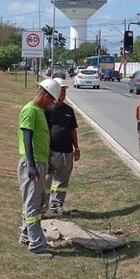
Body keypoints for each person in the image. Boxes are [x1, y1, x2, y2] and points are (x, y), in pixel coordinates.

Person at [17, 78, 61, 259]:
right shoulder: (30, 110)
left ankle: (25, 236)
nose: (51, 104)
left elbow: (41, 139)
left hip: (40, 162)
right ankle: (36, 245)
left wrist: (48, 162)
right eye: (51, 100)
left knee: (35, 201)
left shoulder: (39, 111)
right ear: (44, 95)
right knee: (33, 204)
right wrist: (32, 166)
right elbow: (27, 138)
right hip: (32, 163)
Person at [44, 77, 80, 216]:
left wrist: (76, 148)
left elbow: (73, 130)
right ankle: (42, 208)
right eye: (61, 90)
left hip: (67, 152)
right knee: (47, 180)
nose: (64, 93)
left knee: (63, 180)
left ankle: (57, 206)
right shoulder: (48, 109)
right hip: (52, 151)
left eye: (65, 90)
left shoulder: (68, 110)